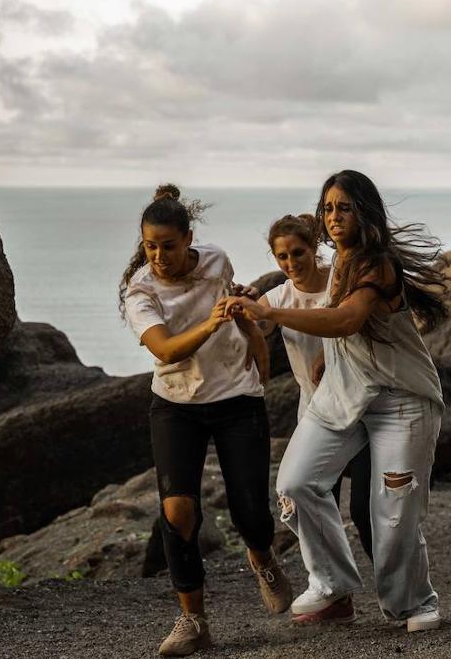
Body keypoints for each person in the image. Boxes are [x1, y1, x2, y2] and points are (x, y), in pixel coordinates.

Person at [229, 169, 450, 632]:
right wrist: (326, 357)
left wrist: (270, 311)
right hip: (342, 397)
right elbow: (314, 298)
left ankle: (412, 603)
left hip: (402, 401)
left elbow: (347, 318)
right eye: (327, 207)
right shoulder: (338, 265)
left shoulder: (377, 263)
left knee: (393, 511)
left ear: (364, 211)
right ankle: (331, 589)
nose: (333, 216)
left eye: (343, 207)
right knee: (295, 482)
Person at [119, 185, 291, 657]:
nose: (158, 256)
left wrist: (254, 340)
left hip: (237, 398)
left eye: (168, 246)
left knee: (250, 509)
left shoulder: (217, 260)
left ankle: (262, 557)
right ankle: (193, 621)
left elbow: (236, 309)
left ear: (188, 238)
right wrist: (211, 324)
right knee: (179, 512)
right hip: (175, 406)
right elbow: (165, 350)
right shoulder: (140, 291)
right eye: (150, 246)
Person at [255, 213, 372, 561]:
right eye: (282, 256)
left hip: (364, 410)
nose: (291, 263)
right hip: (316, 412)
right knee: (313, 500)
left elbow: (356, 323)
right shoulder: (278, 297)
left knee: (367, 510)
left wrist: (328, 349)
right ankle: (332, 587)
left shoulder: (342, 281)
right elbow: (256, 326)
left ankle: (393, 586)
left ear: (313, 250)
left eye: (298, 253)